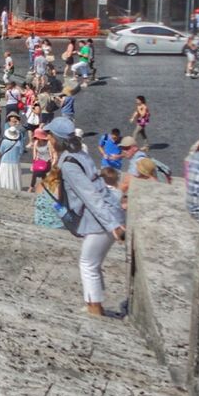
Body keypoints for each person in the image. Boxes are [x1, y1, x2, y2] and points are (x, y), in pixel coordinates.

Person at [51, 117, 127, 317]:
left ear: (57, 139)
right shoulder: (80, 153)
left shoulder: (69, 164)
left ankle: (95, 310)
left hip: (100, 220)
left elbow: (89, 195)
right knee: (93, 263)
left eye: (51, 136)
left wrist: (112, 225)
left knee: (88, 264)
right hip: (110, 210)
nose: (49, 139)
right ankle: (96, 305)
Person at [0, 124, 25, 191]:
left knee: (4, 175)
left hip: (5, 161)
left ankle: (4, 186)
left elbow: (1, 151)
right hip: (15, 161)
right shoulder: (18, 143)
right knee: (14, 175)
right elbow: (21, 152)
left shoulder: (4, 142)